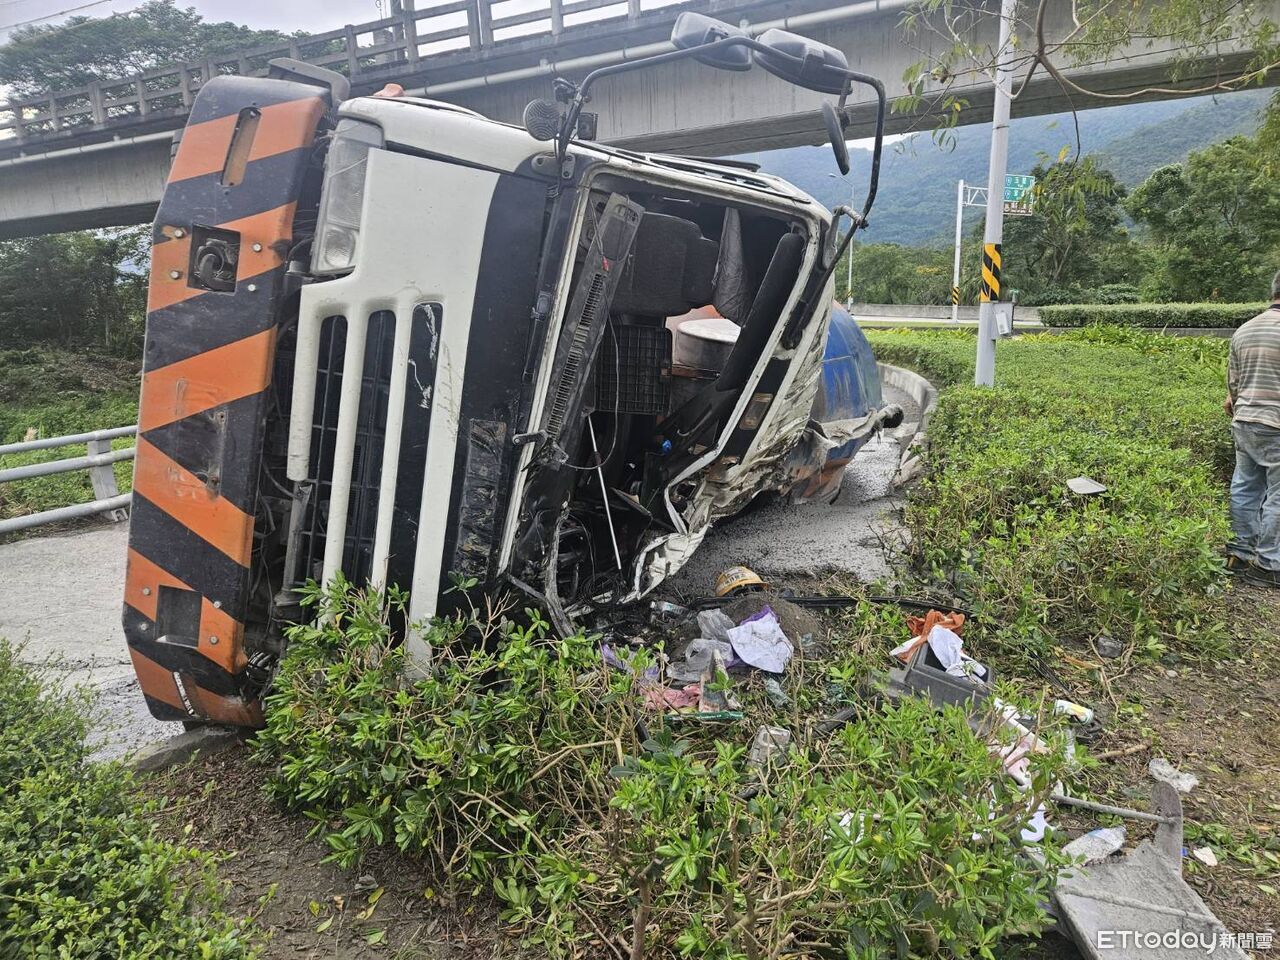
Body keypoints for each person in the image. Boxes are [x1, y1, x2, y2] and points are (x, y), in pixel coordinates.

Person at [1226, 270, 1280, 586]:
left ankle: (1238, 554)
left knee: (1245, 487)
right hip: (1276, 424)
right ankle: (1269, 565)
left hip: (1245, 421)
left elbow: (1233, 385)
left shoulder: (1245, 329)